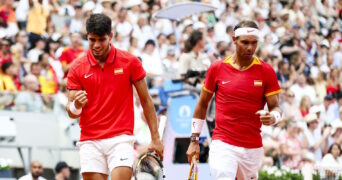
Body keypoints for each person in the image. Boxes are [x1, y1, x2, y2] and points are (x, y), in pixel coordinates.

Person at [66, 14, 163, 180]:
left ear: (110, 36)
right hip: (90, 140)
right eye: (91, 40)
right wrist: (76, 105)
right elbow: (72, 112)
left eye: (101, 40)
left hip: (120, 138)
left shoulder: (130, 62)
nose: (96, 45)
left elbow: (146, 101)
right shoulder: (77, 67)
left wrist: (156, 138)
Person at [186, 20, 282, 180]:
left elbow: (276, 107)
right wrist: (194, 140)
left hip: (252, 148)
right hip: (223, 143)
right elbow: (202, 104)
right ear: (234, 40)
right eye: (245, 42)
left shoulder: (267, 71)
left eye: (254, 43)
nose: (250, 47)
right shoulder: (217, 68)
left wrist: (273, 117)